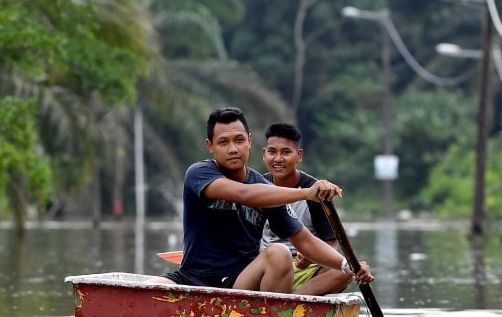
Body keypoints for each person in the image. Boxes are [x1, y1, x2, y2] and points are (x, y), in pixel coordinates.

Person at [159, 106, 373, 293]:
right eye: (223, 142)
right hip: (192, 279)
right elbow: (244, 194)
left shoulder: (265, 187)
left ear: (250, 141)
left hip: (239, 284)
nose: (233, 149)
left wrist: (348, 265)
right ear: (210, 146)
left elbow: (305, 241)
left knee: (279, 253)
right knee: (143, 289)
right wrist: (307, 193)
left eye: (239, 140)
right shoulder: (199, 173)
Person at [259, 122, 356, 296]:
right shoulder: (257, 188)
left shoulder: (315, 191)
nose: (278, 159)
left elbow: (331, 241)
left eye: (286, 152)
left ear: (299, 156)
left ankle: (295, 303)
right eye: (272, 152)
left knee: (348, 269)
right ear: (264, 154)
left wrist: (310, 258)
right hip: (268, 265)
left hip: (305, 268)